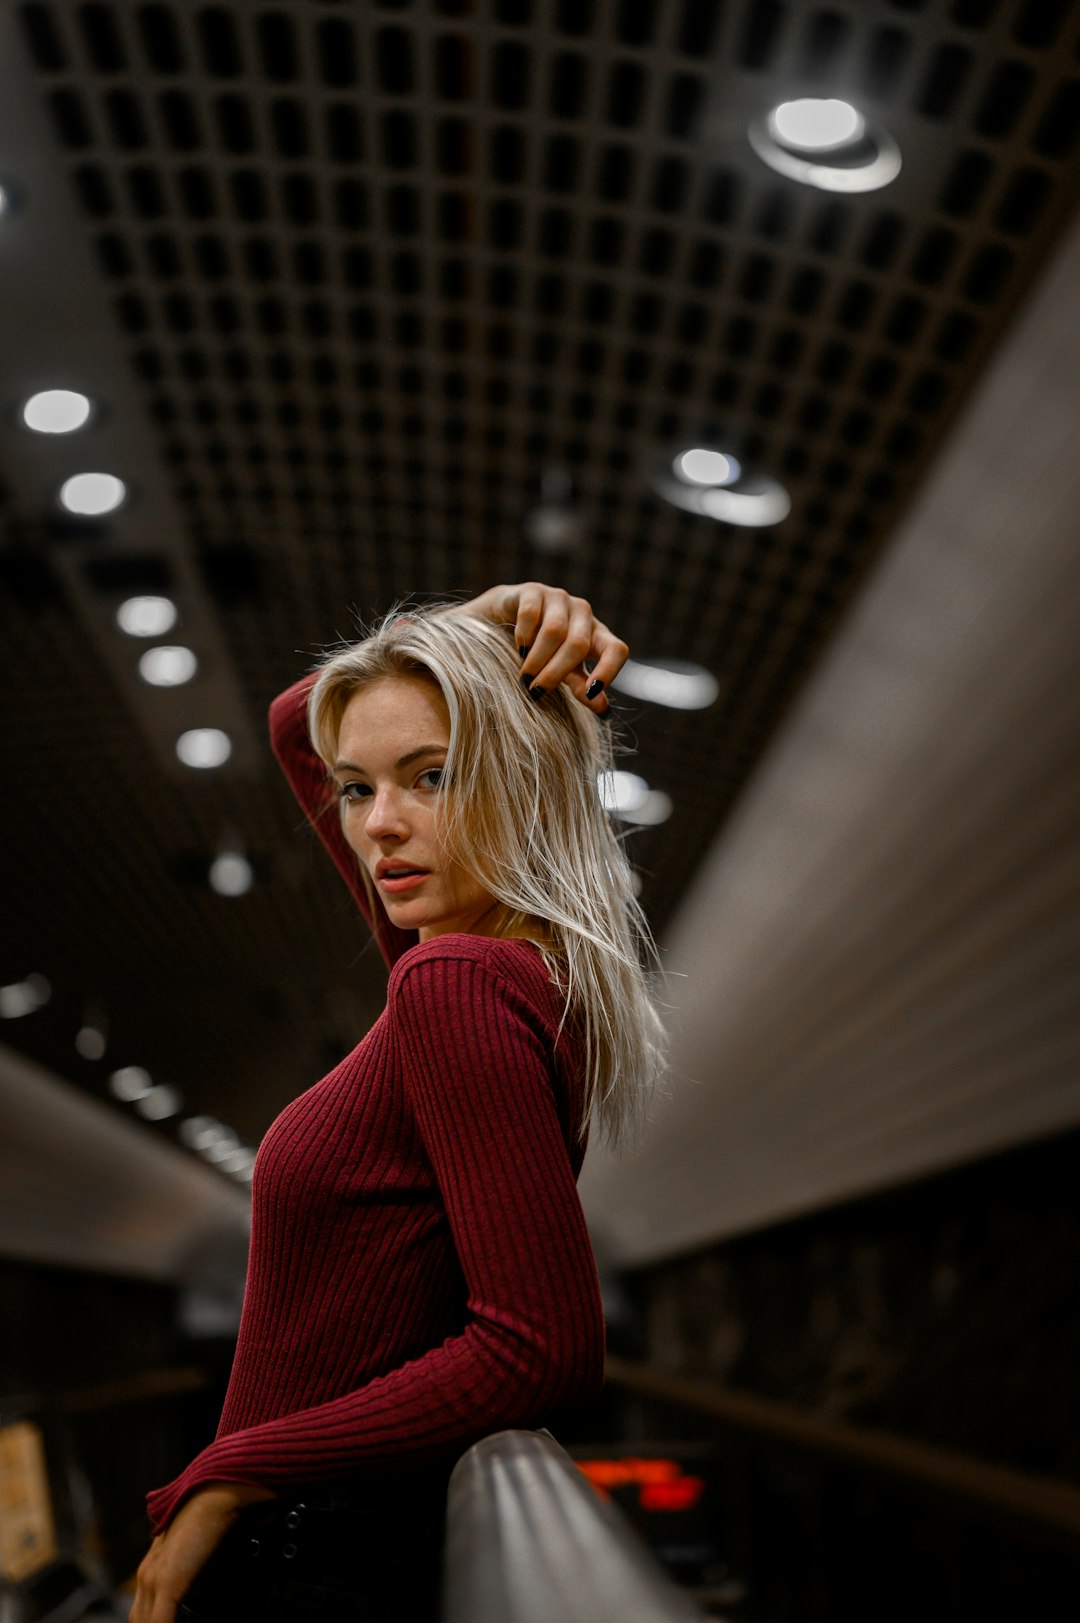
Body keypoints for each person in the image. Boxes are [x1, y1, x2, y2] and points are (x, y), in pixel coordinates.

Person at [131, 583, 666, 1623]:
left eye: (433, 776)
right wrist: (480, 616)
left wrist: (229, 1473)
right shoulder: (500, 965)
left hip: (310, 1554)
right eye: (357, 788)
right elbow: (300, 724)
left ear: (525, 777)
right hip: (347, 1543)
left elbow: (540, 1350)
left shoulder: (453, 981)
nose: (381, 827)